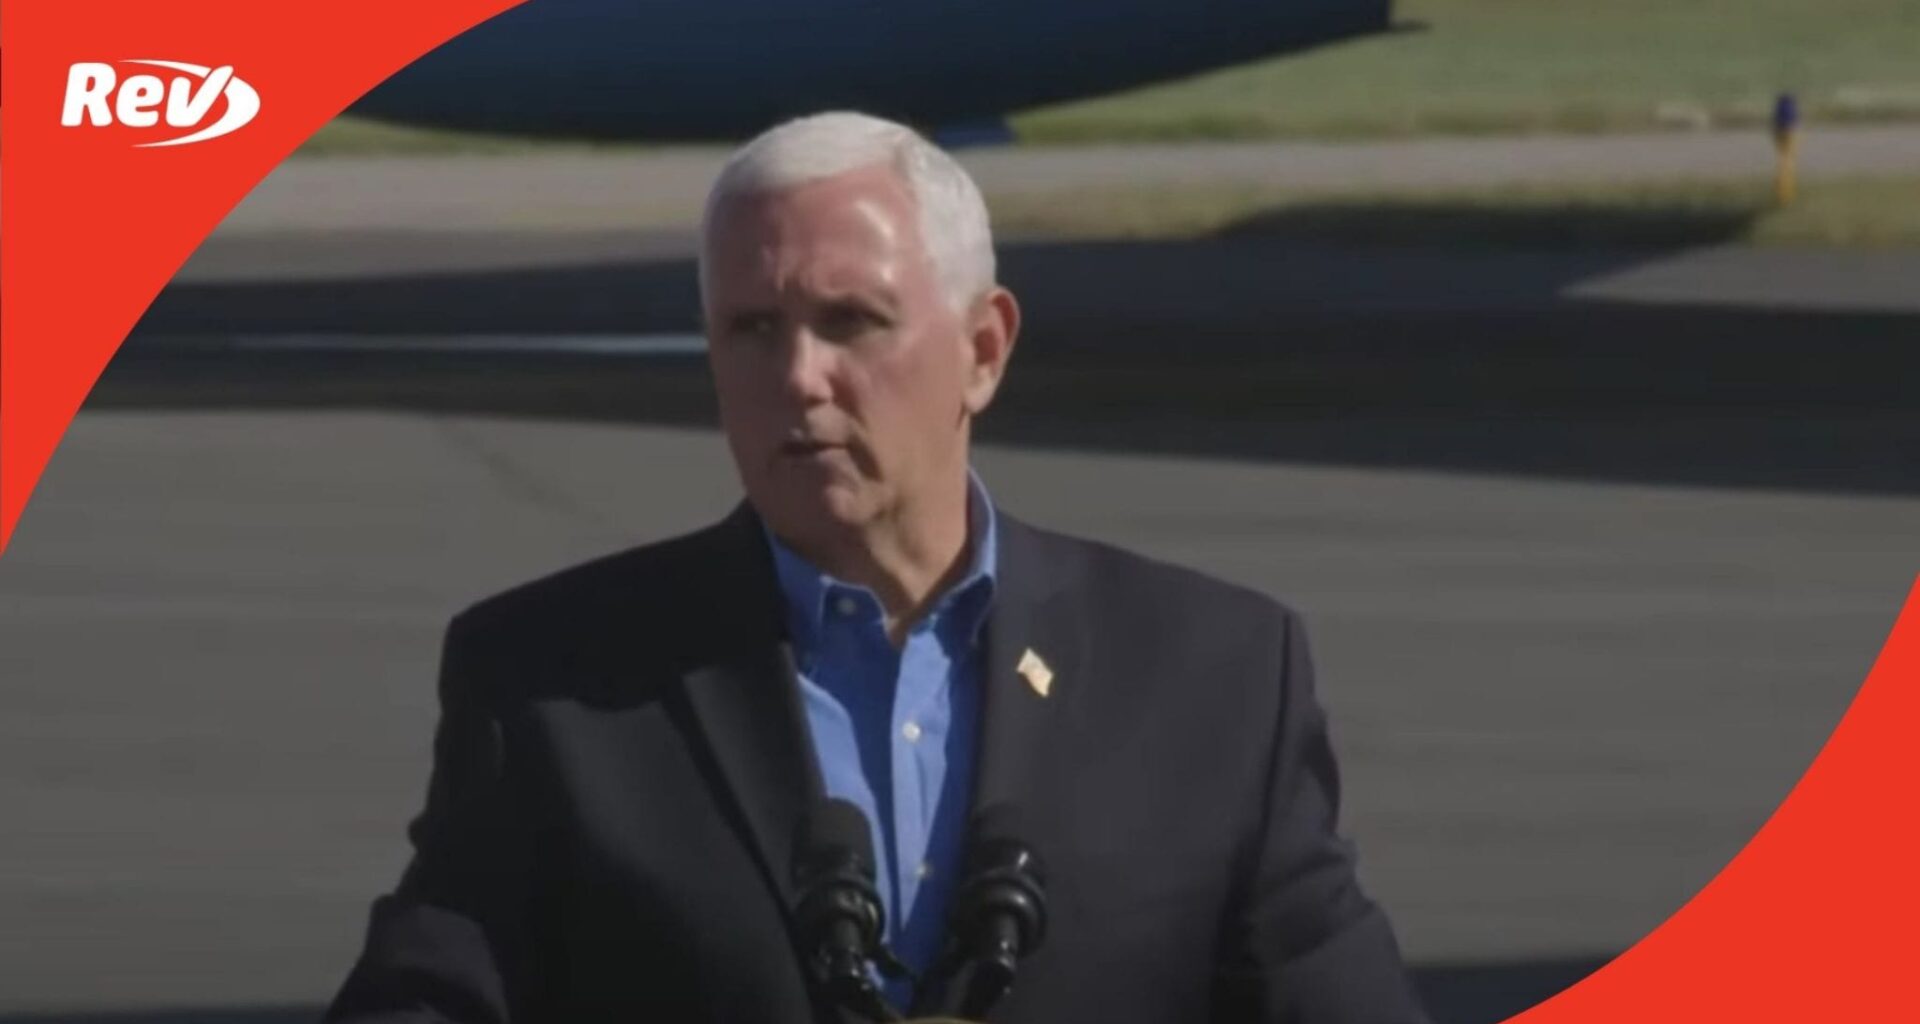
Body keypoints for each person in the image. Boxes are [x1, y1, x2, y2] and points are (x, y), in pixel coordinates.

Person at [326, 111, 1427, 1024]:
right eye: (752, 329)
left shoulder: (1213, 675)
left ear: (983, 351)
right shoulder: (554, 686)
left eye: (850, 321)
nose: (800, 376)